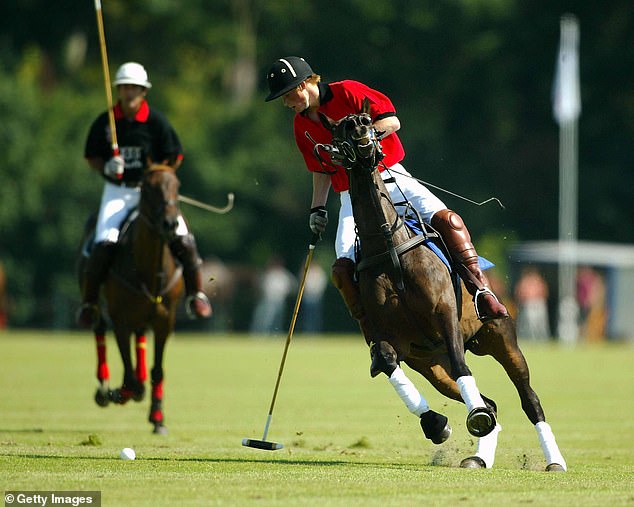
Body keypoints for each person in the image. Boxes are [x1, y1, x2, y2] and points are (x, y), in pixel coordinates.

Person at [264, 56, 508, 339]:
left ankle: (481, 291)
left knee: (450, 221)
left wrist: (363, 137)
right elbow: (320, 171)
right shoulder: (301, 126)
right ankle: (376, 337)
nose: (285, 103)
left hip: (391, 175)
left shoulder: (348, 91)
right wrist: (317, 209)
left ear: (305, 84)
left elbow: (392, 121)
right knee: (342, 269)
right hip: (351, 197)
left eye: (286, 95)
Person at [77, 62, 211, 328]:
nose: (129, 93)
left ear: (143, 91)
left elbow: (176, 156)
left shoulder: (156, 122)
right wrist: (105, 165)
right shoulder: (107, 122)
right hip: (118, 191)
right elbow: (90, 155)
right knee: (104, 242)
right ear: (118, 90)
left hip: (153, 194)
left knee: (184, 239)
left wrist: (157, 175)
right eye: (125, 88)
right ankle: (90, 305)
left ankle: (196, 295)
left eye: (134, 88)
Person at [514, 266, 550, 340]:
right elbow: (519, 293)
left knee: (541, 323)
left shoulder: (538, 281)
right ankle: (530, 338)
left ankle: (542, 338)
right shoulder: (524, 281)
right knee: (529, 323)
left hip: (538, 303)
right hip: (528, 303)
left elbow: (544, 292)